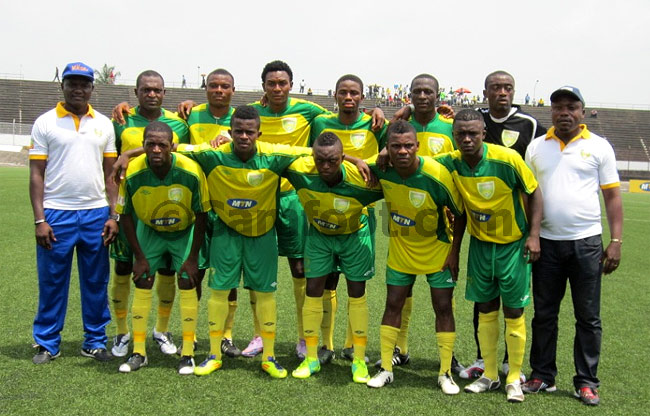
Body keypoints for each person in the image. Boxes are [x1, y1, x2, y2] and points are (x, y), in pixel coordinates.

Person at [178, 105, 312, 379]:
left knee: (265, 294)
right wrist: (128, 155)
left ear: (259, 134)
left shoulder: (273, 155)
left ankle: (269, 357)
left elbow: (315, 153)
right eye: (238, 131)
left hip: (262, 235)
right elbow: (172, 148)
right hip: (225, 233)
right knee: (219, 292)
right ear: (230, 131)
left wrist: (355, 160)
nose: (243, 136)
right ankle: (214, 355)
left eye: (249, 132)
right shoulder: (213, 155)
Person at [523, 86, 623, 406]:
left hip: (586, 242)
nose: (564, 112)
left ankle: (586, 381)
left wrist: (616, 241)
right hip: (546, 243)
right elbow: (528, 194)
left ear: (582, 111)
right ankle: (542, 374)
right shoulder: (537, 147)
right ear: (551, 111)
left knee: (588, 317)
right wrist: (532, 234)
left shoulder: (599, 146)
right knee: (544, 314)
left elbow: (612, 196)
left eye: (571, 107)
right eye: (558, 107)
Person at [436, 109, 542, 403]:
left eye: (473, 133)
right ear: (454, 136)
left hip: (512, 245)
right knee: (485, 309)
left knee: (514, 311)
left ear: (483, 133)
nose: (467, 139)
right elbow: (419, 163)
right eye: (461, 134)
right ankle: (490, 374)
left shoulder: (507, 159)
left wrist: (534, 235)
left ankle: (513, 378)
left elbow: (534, 192)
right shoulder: (451, 162)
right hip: (481, 246)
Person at [460, 70, 547, 380]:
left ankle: (512, 363)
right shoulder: (474, 118)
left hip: (514, 224)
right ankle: (483, 359)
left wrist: (534, 231)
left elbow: (536, 173)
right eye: (495, 87)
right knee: (483, 300)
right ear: (485, 92)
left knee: (514, 303)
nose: (502, 92)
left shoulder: (529, 124)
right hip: (482, 225)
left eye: (508, 87)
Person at [29, 61, 118, 364]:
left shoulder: (104, 124)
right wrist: (40, 219)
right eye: (72, 83)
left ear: (92, 88)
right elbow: (36, 174)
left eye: (84, 84)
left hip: (96, 214)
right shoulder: (45, 122)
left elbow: (111, 176)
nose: (78, 89)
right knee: (52, 281)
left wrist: (113, 215)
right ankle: (47, 342)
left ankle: (94, 341)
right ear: (62, 86)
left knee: (96, 281)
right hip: (56, 214)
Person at [366, 121, 463, 394]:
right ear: (387, 148)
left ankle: (445, 373)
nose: (402, 151)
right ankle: (386, 369)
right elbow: (349, 162)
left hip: (438, 251)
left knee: (443, 307)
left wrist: (454, 252)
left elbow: (460, 213)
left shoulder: (436, 175)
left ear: (417, 146)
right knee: (392, 304)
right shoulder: (382, 169)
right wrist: (365, 159)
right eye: (395, 146)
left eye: (408, 145)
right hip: (401, 251)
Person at [286, 132, 383, 383]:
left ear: (342, 158)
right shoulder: (300, 171)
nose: (325, 166)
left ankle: (359, 359)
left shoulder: (362, 179)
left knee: (357, 293)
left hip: (355, 235)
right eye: (320, 160)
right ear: (313, 157)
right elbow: (271, 152)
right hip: (319, 236)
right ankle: (311, 358)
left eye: (332, 161)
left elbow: (400, 178)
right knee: (313, 290)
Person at [116, 122, 208, 375]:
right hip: (150, 231)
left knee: (188, 279)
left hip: (184, 231)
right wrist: (139, 257)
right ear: (143, 145)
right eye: (151, 144)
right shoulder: (132, 172)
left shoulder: (190, 171)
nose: (156, 149)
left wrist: (192, 258)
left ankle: (187, 353)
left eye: (162, 145)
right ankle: (139, 352)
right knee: (143, 279)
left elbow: (202, 214)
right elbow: (125, 214)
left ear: (171, 147)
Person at [110, 70, 190, 359]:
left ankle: (161, 329)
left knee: (166, 271)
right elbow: (110, 163)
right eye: (146, 89)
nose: (152, 94)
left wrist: (129, 154)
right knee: (123, 268)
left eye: (157, 90)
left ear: (165, 93)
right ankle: (122, 332)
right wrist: (113, 212)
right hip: (130, 206)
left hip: (166, 206)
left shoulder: (179, 123)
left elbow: (183, 152)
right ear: (136, 92)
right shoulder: (121, 120)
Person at [307, 74, 387, 364]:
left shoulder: (375, 124)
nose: (348, 97)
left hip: (361, 209)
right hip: (325, 206)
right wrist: (354, 160)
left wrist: (393, 110)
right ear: (335, 95)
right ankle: (326, 345)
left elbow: (395, 145)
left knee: (356, 282)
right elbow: (309, 152)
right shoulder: (320, 122)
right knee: (328, 280)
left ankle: (352, 344)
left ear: (362, 97)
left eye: (354, 93)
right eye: (343, 92)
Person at [185, 68, 240, 357]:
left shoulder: (241, 119)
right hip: (196, 204)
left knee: (227, 275)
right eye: (213, 85)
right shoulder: (190, 115)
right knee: (194, 270)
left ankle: (227, 335)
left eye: (224, 86)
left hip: (226, 204)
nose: (219, 90)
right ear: (205, 88)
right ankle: (191, 334)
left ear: (233, 90)